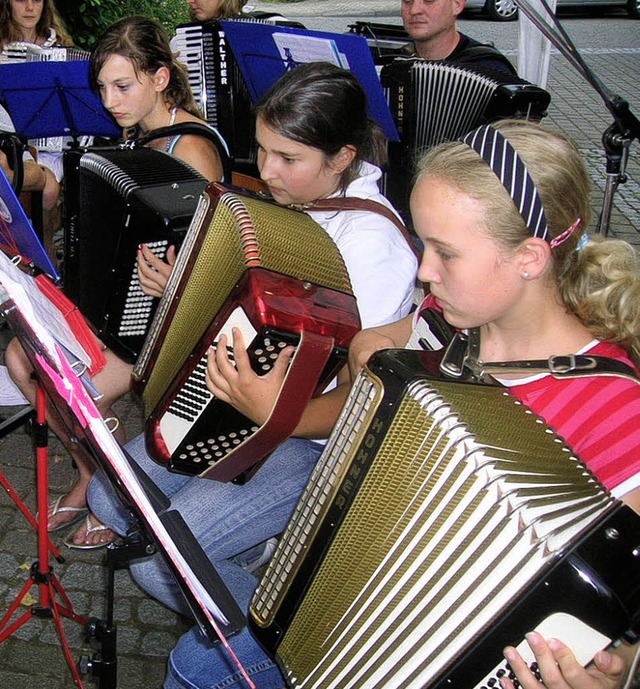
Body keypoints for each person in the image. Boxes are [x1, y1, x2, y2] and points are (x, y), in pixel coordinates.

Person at [87, 61, 418, 689]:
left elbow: (363, 399)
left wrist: (276, 413)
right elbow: (248, 306)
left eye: (287, 158)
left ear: (343, 156)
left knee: (162, 566)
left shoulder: (372, 245)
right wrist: (179, 288)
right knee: (111, 496)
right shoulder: (297, 200)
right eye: (261, 150)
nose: (265, 173)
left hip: (317, 444)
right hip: (244, 404)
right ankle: (247, 559)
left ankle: (289, 630)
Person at [347, 118, 640, 689]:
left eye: (444, 253)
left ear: (530, 257)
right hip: (384, 600)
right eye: (421, 243)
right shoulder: (448, 324)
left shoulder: (617, 413)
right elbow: (376, 340)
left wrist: (625, 670)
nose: (424, 271)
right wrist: (371, 357)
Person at [5, 15, 227, 550]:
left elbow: (218, 257)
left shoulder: (192, 150)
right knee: (19, 356)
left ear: (159, 78)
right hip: (123, 306)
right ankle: (91, 471)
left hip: (170, 320)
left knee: (70, 386)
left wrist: (174, 277)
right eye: (103, 88)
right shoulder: (133, 138)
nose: (110, 101)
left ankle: (117, 487)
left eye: (122, 86)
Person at [0, 0, 74, 233]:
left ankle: (46, 250)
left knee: (49, 191)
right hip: (9, 141)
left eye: (37, 0)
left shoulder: (60, 47)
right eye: (22, 0)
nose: (30, 7)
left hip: (50, 147)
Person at [400, 0, 517, 74]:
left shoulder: (490, 68)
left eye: (429, 1)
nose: (414, 10)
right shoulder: (392, 63)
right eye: (407, 1)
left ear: (457, 5)